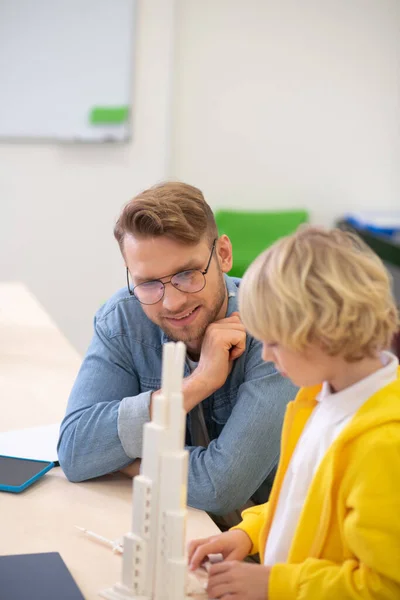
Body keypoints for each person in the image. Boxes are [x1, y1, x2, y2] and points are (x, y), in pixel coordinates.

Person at [57, 182, 297, 521]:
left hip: (268, 551)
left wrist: (127, 460)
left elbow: (221, 489)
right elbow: (76, 451)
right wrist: (195, 384)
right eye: (148, 283)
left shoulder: (273, 328)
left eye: (187, 274)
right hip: (176, 529)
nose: (172, 302)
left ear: (224, 255)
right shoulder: (124, 318)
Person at [189, 226, 400, 599]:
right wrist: (248, 532)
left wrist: (275, 584)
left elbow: (384, 587)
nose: (267, 356)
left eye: (274, 343)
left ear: (324, 333)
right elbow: (303, 500)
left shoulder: (384, 443)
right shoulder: (321, 398)